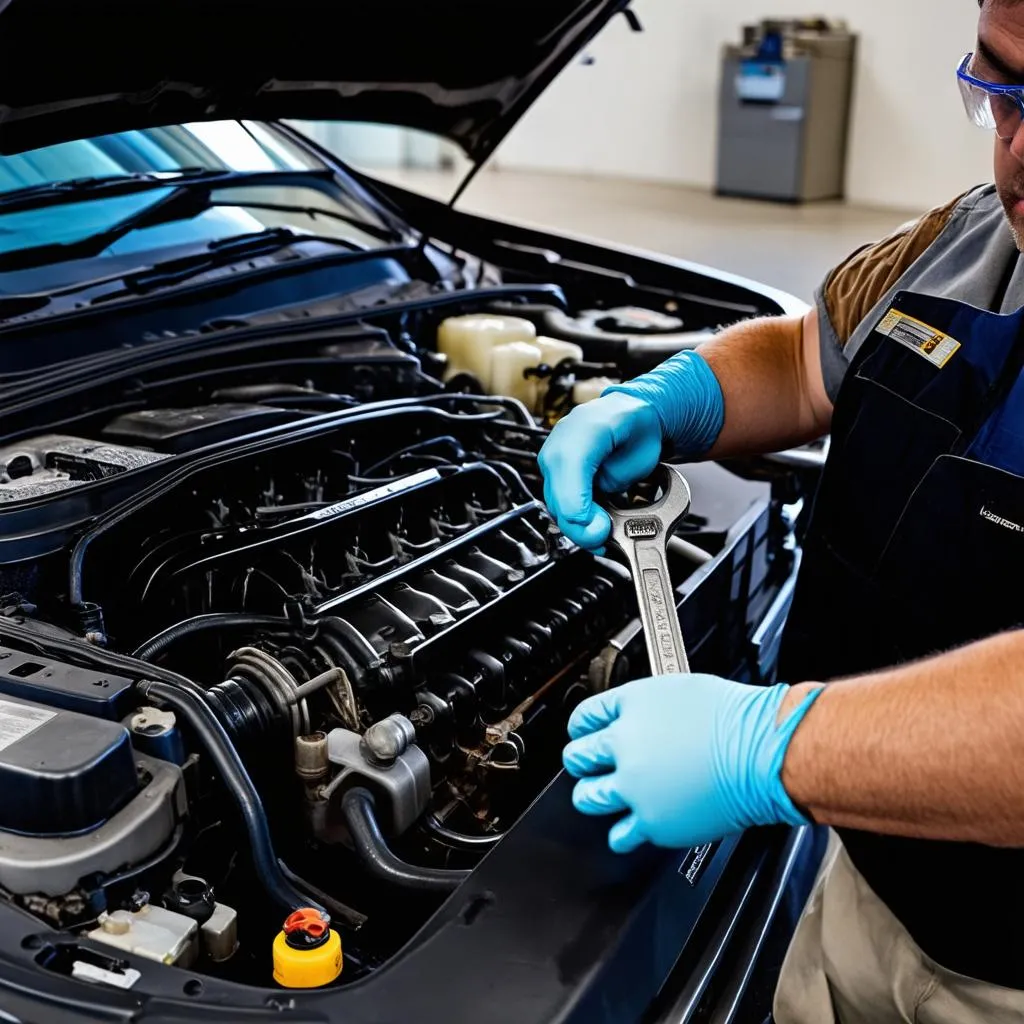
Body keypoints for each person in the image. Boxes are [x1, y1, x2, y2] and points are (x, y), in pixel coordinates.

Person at [537, 3, 1024, 1021]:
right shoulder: (969, 238)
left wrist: (761, 748)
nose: (1018, 161)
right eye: (1003, 93)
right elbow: (810, 357)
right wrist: (666, 401)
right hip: (863, 868)